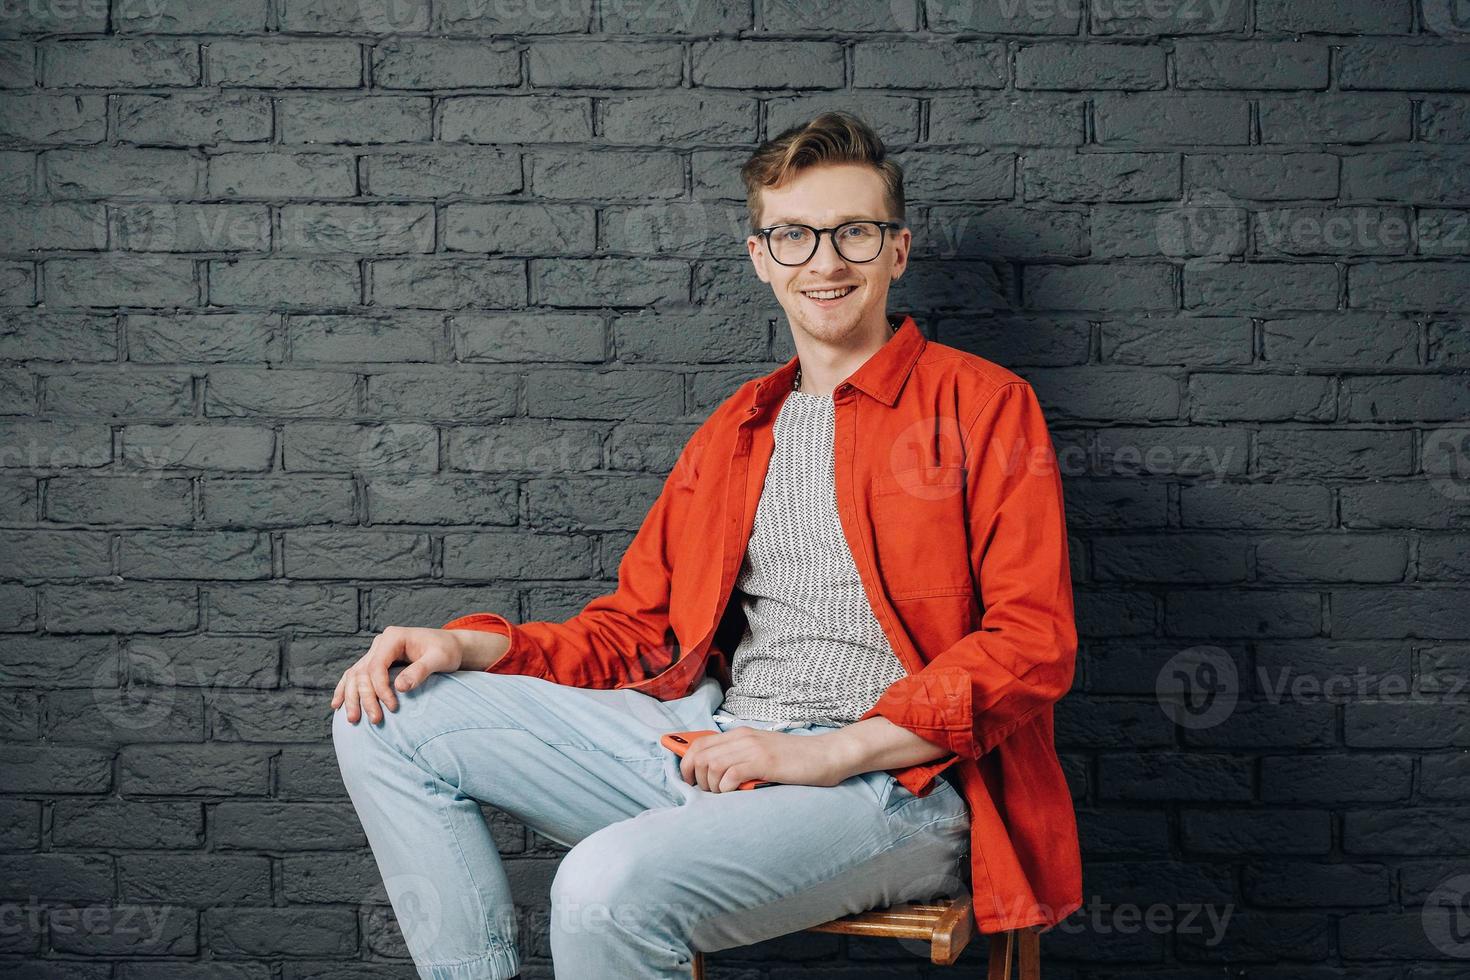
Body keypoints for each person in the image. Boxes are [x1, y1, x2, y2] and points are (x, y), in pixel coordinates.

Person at [331, 109, 1081, 980]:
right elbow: (637, 630)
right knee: (388, 715)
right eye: (795, 236)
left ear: (897, 251)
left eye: (854, 233)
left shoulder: (986, 406)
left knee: (601, 887)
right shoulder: (738, 428)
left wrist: (824, 751)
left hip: (893, 787)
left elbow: (1032, 644)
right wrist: (465, 643)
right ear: (762, 258)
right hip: (718, 743)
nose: (826, 261)